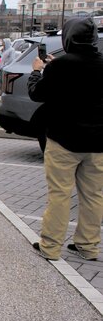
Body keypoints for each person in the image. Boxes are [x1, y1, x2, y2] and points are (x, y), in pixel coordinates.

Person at [28, 18, 103, 262]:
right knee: (93, 196)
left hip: (64, 139)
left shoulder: (61, 67)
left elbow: (37, 93)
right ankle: (88, 245)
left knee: (60, 194)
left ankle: (50, 246)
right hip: (97, 142)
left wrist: (38, 71)